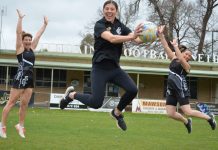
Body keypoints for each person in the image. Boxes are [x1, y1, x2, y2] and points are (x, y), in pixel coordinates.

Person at [60, 0, 143, 131]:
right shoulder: (99, 25)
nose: (109, 11)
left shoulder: (121, 26)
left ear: (116, 11)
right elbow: (112, 38)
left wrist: (153, 34)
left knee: (133, 90)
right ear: (103, 10)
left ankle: (116, 113)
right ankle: (72, 95)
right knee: (96, 103)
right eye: (107, 9)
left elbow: (138, 40)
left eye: (112, 9)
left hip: (115, 68)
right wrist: (132, 36)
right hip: (100, 68)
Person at [158, 25, 216, 133]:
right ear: (183, 52)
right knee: (170, 113)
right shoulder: (174, 58)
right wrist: (161, 34)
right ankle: (186, 122)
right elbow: (166, 46)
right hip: (171, 88)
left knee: (188, 111)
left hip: (180, 88)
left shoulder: (187, 66)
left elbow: (180, 57)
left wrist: (175, 46)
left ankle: (209, 118)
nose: (188, 56)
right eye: (187, 54)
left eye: (190, 56)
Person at [0, 9, 48, 138]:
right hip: (19, 79)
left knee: (24, 104)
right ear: (23, 40)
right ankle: (2, 126)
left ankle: (20, 126)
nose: (28, 41)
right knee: (10, 103)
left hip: (30, 79)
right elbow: (18, 32)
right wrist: (20, 19)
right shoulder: (19, 49)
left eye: (29, 40)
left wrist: (45, 25)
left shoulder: (32, 49)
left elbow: (38, 35)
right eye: (26, 39)